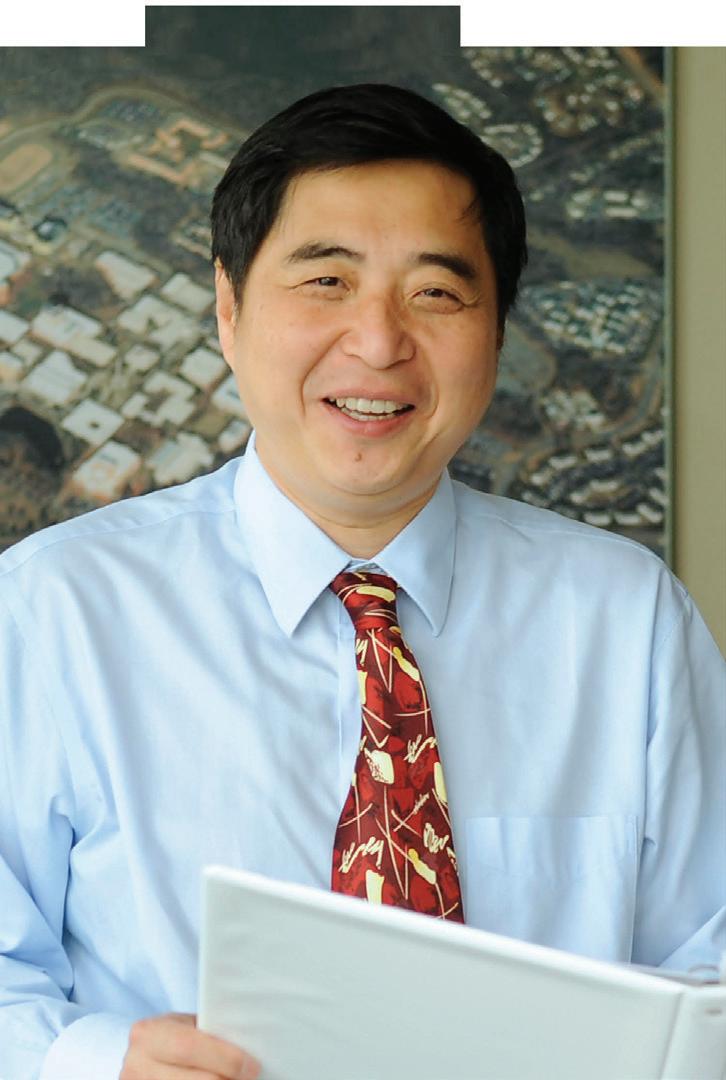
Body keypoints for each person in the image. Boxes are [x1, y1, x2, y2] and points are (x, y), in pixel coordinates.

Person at [0, 83, 723, 1080]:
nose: (379, 342)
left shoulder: (627, 621)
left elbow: (710, 969)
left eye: (436, 293)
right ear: (229, 308)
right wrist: (95, 1063)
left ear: (497, 330)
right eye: (326, 281)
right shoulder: (52, 609)